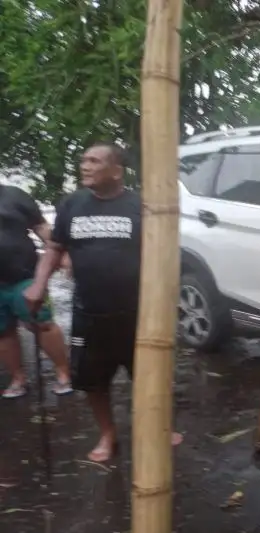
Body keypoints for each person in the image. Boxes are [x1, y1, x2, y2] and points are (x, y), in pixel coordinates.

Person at [24, 142, 182, 462]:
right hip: (90, 312)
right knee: (93, 381)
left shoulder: (141, 205)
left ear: (116, 171)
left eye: (94, 161)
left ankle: (159, 427)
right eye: (83, 160)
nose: (85, 166)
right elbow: (55, 248)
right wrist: (39, 284)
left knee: (151, 375)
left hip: (139, 314)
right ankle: (108, 435)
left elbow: (162, 254)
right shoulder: (72, 204)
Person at [0, 183, 72, 398]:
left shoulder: (14, 195)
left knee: (42, 323)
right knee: (3, 332)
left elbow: (41, 227)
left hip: (25, 276)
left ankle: (64, 373)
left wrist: (62, 252)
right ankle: (18, 379)